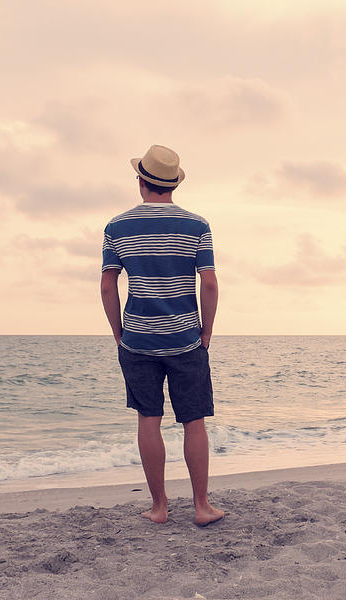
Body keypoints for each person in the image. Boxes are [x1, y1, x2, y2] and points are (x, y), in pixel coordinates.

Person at [100, 144, 224, 526]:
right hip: (186, 338)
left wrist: (120, 334)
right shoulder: (196, 225)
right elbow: (210, 283)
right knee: (194, 421)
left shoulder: (117, 227)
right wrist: (206, 332)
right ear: (173, 185)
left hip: (137, 340)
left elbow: (107, 286)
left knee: (148, 420)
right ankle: (202, 507)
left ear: (141, 181)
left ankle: (159, 507)